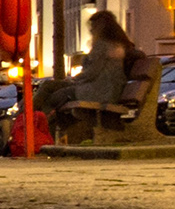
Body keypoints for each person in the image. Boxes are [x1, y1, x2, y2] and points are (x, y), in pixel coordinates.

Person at [43, 10, 154, 140]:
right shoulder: (116, 44)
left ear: (100, 28)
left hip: (99, 91)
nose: (90, 31)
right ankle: (31, 120)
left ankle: (32, 124)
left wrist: (75, 80)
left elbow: (92, 73)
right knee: (49, 88)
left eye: (92, 28)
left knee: (55, 95)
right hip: (102, 89)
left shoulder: (103, 45)